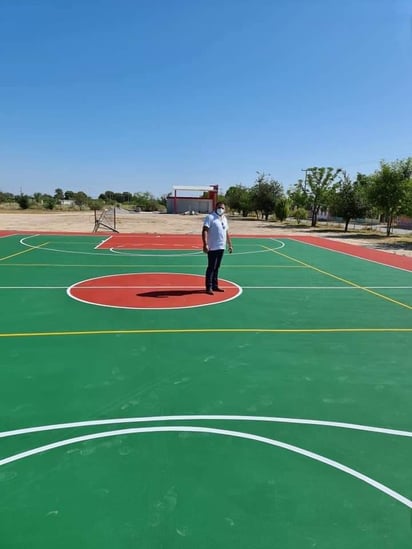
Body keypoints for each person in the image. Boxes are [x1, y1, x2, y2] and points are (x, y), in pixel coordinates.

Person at [202, 201, 233, 295]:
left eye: (223, 208)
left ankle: (215, 285)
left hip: (221, 247)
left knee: (217, 267)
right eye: (219, 207)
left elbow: (226, 232)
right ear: (215, 207)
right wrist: (205, 244)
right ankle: (209, 287)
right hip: (213, 247)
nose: (221, 209)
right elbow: (205, 231)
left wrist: (230, 245)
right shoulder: (210, 217)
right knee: (211, 267)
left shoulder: (224, 219)